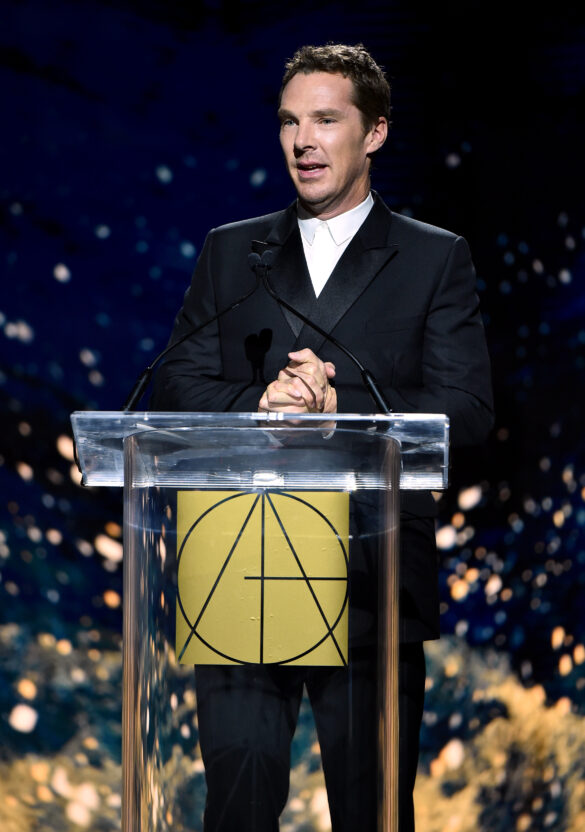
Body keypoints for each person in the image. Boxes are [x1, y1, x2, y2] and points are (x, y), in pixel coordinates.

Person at [151, 43, 493, 832]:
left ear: (374, 133)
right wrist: (260, 400)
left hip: (370, 574)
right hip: (237, 559)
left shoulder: (433, 257)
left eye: (326, 120)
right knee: (236, 808)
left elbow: (467, 410)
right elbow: (174, 387)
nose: (303, 141)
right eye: (289, 122)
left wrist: (343, 413)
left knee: (371, 811)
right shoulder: (232, 250)